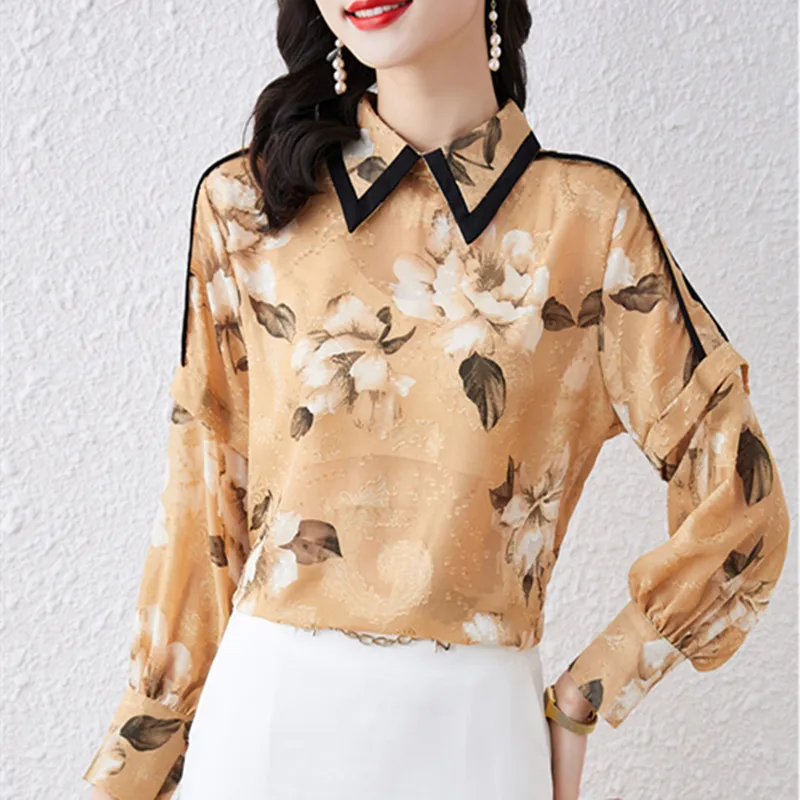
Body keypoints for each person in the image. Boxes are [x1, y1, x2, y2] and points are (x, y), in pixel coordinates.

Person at [82, 1, 790, 799]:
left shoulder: (588, 224)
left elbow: (743, 501)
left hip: (476, 743)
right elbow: (202, 518)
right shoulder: (249, 207)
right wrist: (131, 771)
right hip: (264, 731)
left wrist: (589, 693)